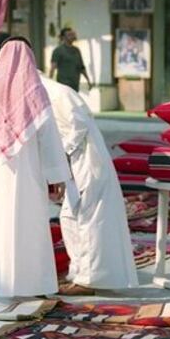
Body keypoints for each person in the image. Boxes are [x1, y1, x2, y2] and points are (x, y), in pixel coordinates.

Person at [0, 37, 71, 298]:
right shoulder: (34, 93)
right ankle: (31, 284)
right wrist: (55, 175)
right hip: (27, 175)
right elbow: (49, 139)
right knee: (28, 225)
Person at [40, 74, 139, 293]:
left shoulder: (58, 94)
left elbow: (79, 125)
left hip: (87, 161)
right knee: (69, 218)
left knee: (87, 220)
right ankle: (78, 274)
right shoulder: (44, 94)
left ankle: (87, 281)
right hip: (76, 164)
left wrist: (62, 155)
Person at [50, 27, 92, 92]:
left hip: (75, 85)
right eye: (69, 35)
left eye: (73, 34)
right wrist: (50, 84)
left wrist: (88, 80)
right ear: (63, 37)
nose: (72, 36)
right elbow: (53, 67)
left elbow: (81, 67)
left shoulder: (77, 50)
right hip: (64, 86)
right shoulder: (58, 51)